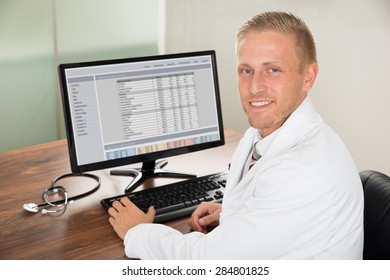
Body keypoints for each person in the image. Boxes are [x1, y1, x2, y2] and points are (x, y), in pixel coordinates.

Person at [107, 11, 364, 259]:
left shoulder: (303, 170)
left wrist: (137, 232)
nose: (254, 87)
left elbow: (206, 263)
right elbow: (272, 216)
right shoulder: (262, 133)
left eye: (273, 70)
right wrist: (234, 216)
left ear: (308, 77)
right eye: (246, 70)